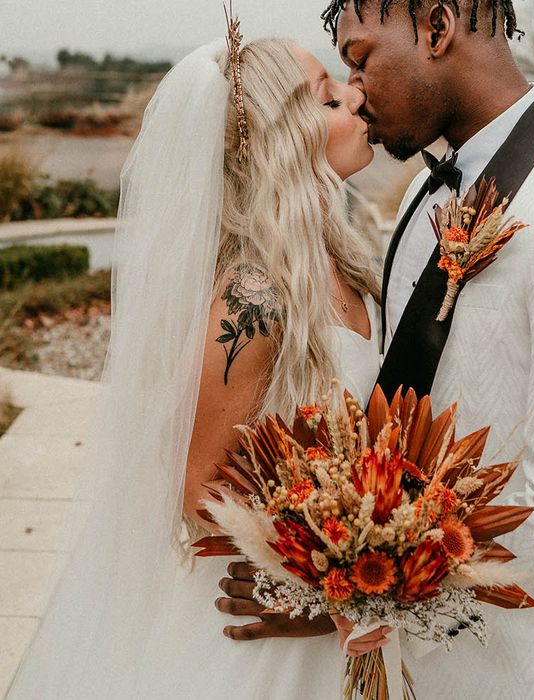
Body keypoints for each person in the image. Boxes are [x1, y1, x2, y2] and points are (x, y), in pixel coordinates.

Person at [220, 1, 534, 698]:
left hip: (525, 665)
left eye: (362, 57)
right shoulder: (419, 197)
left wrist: (355, 591)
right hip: (408, 664)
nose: (356, 90)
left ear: (437, 28)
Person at [8, 26, 388, 699]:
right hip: (262, 637)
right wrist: (328, 588)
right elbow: (201, 486)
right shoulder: (254, 291)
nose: (355, 103)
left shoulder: (345, 257)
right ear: (284, 138)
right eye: (328, 100)